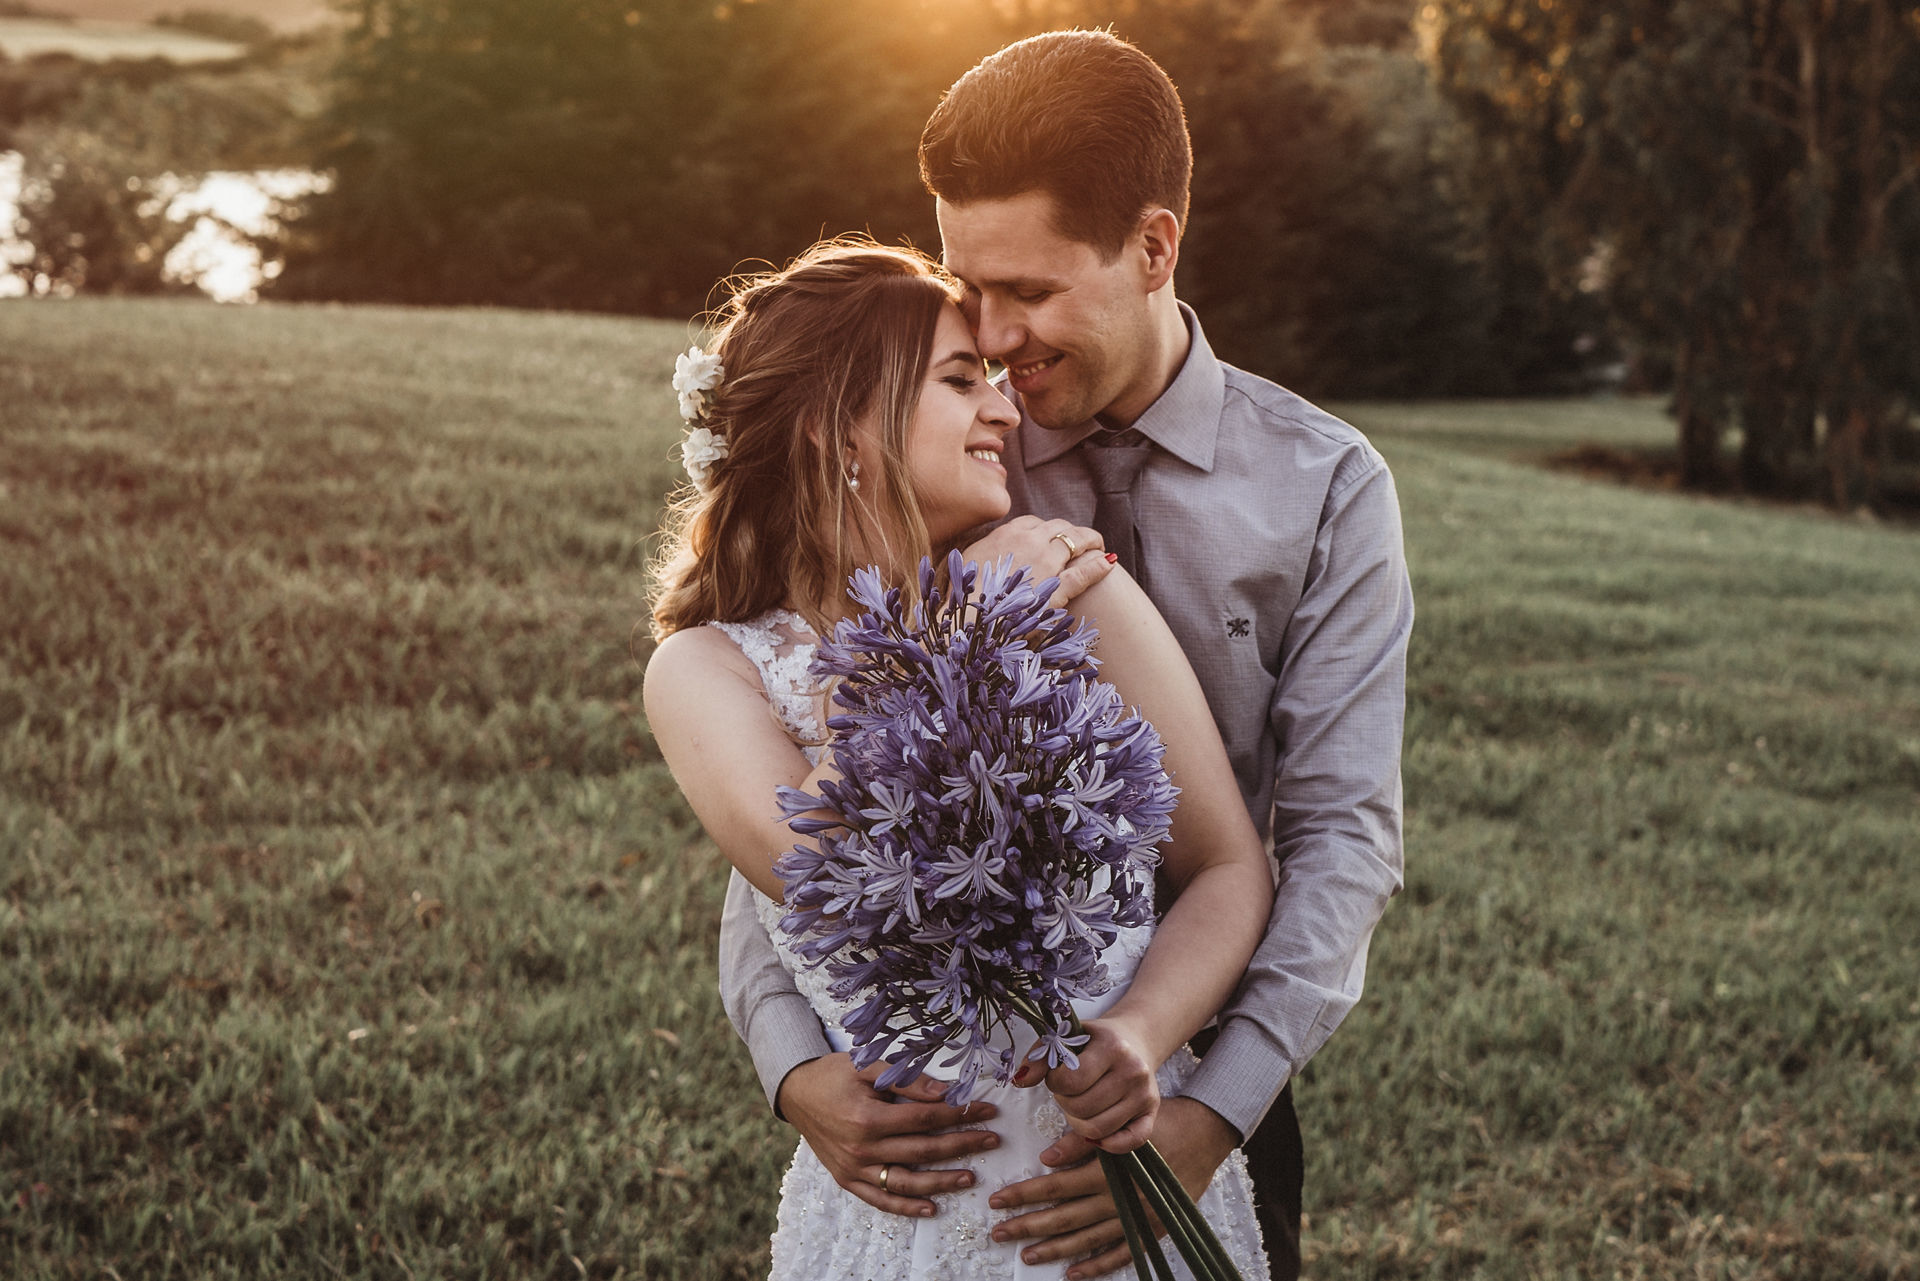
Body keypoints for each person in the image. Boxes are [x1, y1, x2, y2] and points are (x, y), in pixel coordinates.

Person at [716, 30, 1413, 1281]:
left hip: (1203, 1062)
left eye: (1029, 292)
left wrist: (1205, 1119)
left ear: (1153, 248)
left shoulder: (1326, 488)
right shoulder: (949, 449)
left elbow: (1342, 835)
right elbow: (800, 782)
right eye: (967, 287)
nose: (993, 334)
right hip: (933, 1099)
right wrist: (794, 1067)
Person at [643, 239, 1276, 1279]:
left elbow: (1225, 864)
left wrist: (1143, 1034)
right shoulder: (710, 670)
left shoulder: (1080, 593)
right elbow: (829, 870)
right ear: (835, 427)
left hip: (1113, 1192)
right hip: (914, 1220)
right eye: (958, 380)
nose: (1006, 411)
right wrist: (954, 626)